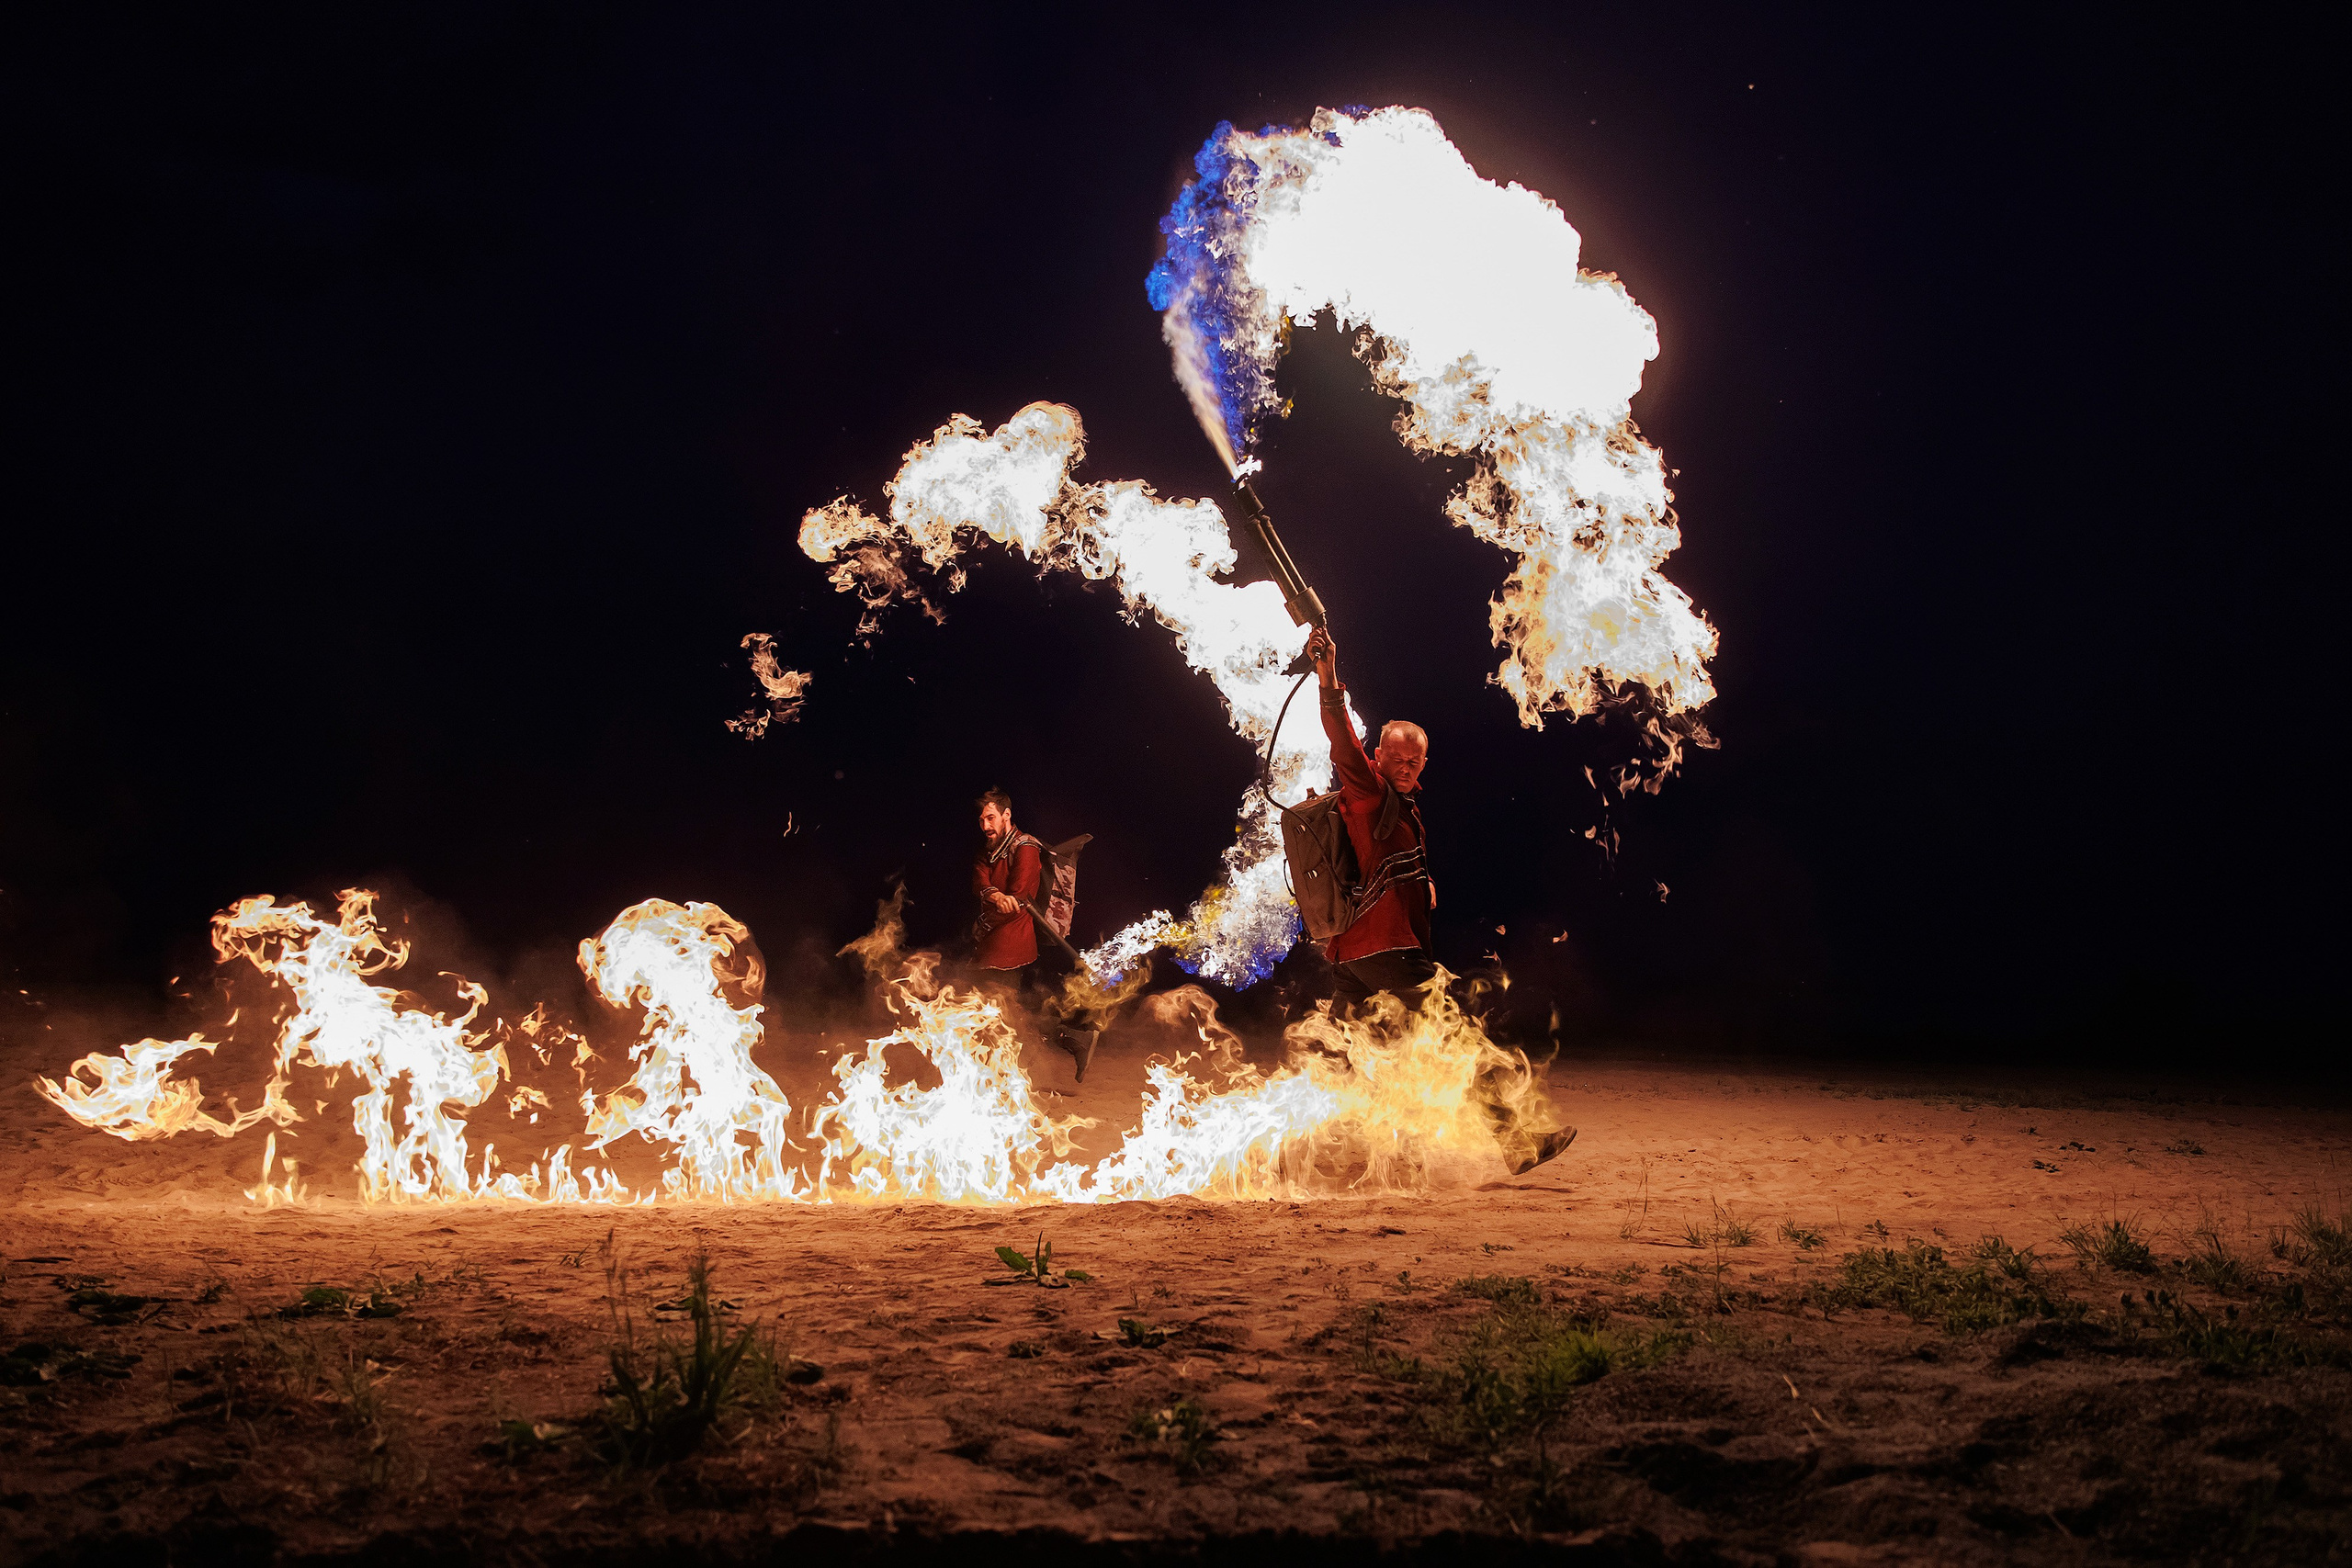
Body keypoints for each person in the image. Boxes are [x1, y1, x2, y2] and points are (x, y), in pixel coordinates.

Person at [1306, 626, 1575, 1173]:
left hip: (1351, 956)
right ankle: (1516, 1143)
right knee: (1455, 1035)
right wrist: (1327, 672)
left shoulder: (1403, 813)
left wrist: (1418, 888)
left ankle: (1317, 1152)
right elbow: (1339, 733)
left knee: (1348, 1055)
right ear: (1378, 757)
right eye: (1397, 758)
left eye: (1416, 761)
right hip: (1385, 951)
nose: (1406, 767)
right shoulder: (1367, 791)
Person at [969, 787, 1096, 1081]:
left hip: (1012, 940)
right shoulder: (988, 851)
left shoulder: (1026, 847)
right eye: (981, 820)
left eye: (991, 818)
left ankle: (1072, 1039)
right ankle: (1074, 1038)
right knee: (1002, 1009)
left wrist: (989, 917)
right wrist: (993, 895)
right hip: (992, 940)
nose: (986, 826)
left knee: (999, 1008)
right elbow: (980, 881)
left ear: (1006, 815)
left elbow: (1019, 897)